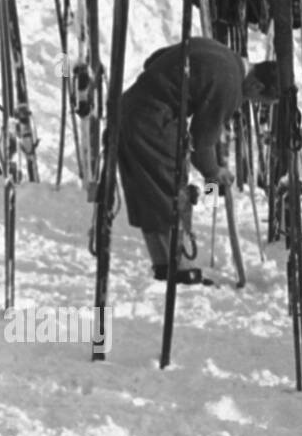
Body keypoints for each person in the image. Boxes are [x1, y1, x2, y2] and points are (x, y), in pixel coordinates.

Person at [117, 37, 277, 283]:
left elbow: (154, 59)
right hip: (153, 121)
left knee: (148, 193)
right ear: (256, 86)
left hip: (129, 108)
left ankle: (164, 265)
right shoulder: (231, 86)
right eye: (258, 101)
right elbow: (202, 143)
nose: (250, 104)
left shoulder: (222, 53)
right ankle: (181, 270)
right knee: (170, 190)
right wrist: (214, 172)